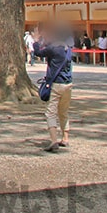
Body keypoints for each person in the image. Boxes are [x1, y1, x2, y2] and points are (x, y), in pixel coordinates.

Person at [33, 24, 74, 152]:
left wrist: (36, 41)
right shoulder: (68, 49)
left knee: (51, 112)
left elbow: (39, 52)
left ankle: (54, 140)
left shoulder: (53, 49)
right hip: (68, 83)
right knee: (63, 112)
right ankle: (65, 138)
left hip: (56, 83)